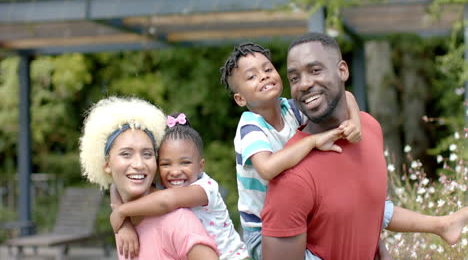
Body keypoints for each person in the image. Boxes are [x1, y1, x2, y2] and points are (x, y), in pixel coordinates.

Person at [220, 42, 468, 259]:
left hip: (303, 210)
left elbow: (344, 94)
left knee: (368, 206)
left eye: (267, 69)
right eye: (251, 77)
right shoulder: (250, 127)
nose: (263, 76)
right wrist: (312, 142)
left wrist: (355, 122)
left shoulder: (290, 108)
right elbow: (267, 168)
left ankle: (441, 224)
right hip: (263, 232)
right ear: (241, 99)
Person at [79, 96, 219, 260]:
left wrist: (120, 214)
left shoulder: (178, 221)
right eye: (126, 154)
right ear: (107, 164)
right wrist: (123, 223)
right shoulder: (123, 221)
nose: (138, 164)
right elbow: (114, 189)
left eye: (147, 154)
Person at [109, 112, 250, 260]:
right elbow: (115, 186)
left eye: (185, 163)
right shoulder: (166, 186)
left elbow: (166, 201)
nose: (175, 172)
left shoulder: (204, 188)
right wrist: (124, 224)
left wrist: (122, 211)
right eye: (166, 164)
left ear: (201, 166)